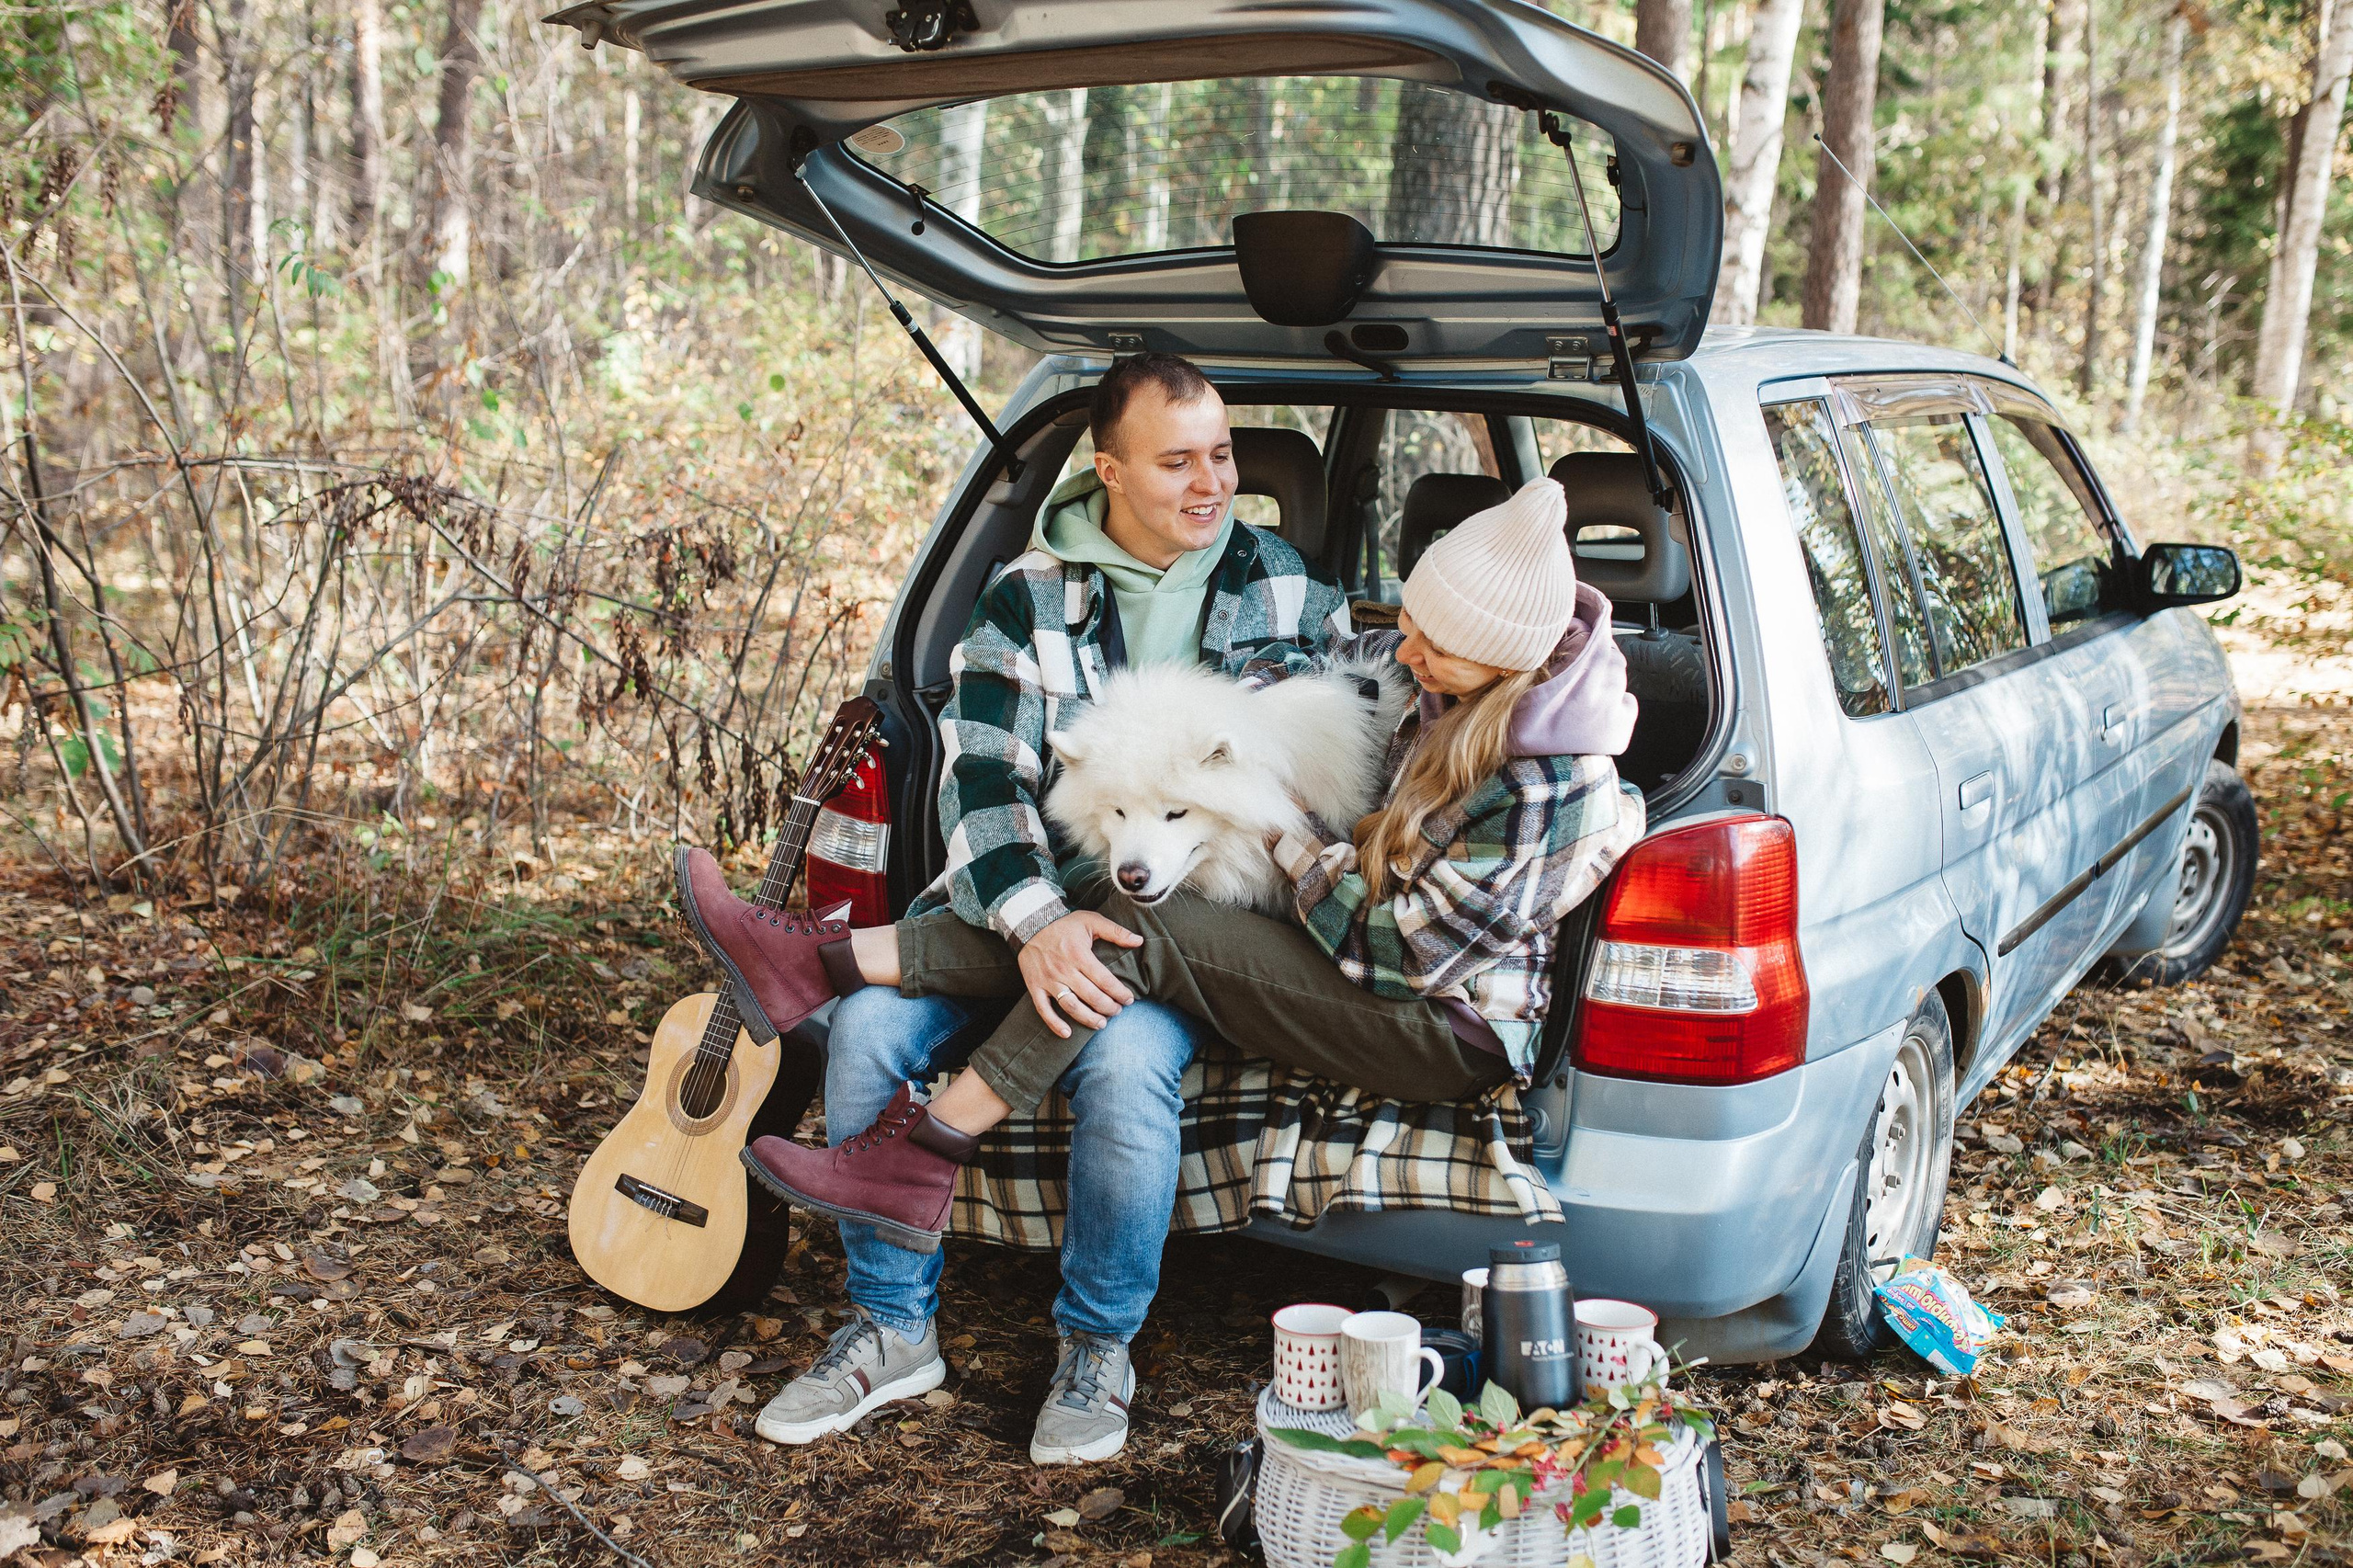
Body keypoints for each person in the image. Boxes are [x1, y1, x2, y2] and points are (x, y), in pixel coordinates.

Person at [684, 472, 1646, 1447]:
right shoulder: (1454, 691)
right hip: (1361, 953)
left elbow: (1402, 953)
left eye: (1430, 642)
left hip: (1439, 1023)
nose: (1405, 650)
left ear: (1499, 656)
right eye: (1406, 626)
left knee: (1152, 928)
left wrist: (1279, 831)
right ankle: (833, 991)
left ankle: (891, 1079)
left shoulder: (1553, 775)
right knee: (1126, 910)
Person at [674, 351, 1349, 1465]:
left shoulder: (1276, 581)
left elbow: (1285, 768)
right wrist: (1036, 921)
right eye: (1176, 461)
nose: (1211, 483)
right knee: (870, 1033)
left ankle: (1096, 1345)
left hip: (1176, 920)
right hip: (1015, 899)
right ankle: (891, 1327)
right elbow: (980, 780)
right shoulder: (1024, 598)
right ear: (1109, 470)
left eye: (1222, 454)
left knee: (1127, 1064)